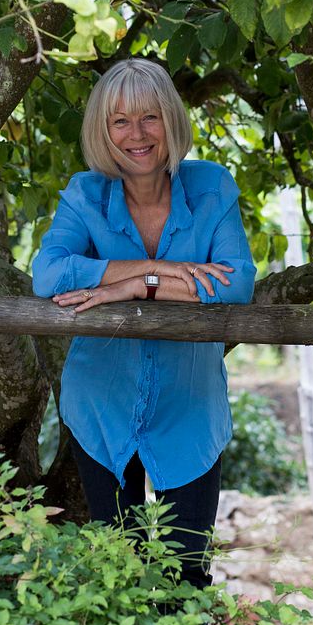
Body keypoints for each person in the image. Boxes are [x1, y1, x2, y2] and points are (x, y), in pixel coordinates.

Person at [32, 58, 256, 589]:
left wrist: (138, 287)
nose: (137, 135)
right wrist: (155, 268)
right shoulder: (85, 193)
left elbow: (237, 284)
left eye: (150, 117)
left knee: (188, 575)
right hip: (102, 402)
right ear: (102, 131)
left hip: (190, 405)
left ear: (171, 122)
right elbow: (48, 274)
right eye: (120, 121)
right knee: (118, 574)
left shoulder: (212, 187)